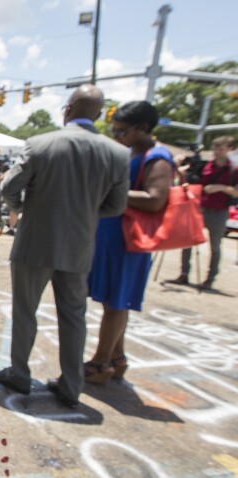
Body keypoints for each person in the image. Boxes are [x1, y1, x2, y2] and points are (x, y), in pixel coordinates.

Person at [0, 84, 130, 409]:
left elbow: (10, 187)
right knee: (74, 316)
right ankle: (71, 385)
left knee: (25, 311)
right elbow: (116, 206)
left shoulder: (41, 144)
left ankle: (19, 373)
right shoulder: (117, 154)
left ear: (68, 108)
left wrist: (22, 207)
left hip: (35, 242)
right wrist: (85, 215)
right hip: (79, 246)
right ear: (98, 113)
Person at [85, 101, 175, 384]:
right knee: (115, 301)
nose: (117, 136)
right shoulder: (134, 152)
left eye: (122, 131)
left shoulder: (157, 157)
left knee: (116, 304)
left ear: (143, 128)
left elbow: (155, 199)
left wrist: (110, 191)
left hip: (129, 241)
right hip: (114, 237)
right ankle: (117, 357)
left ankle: (100, 363)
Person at [172, 135, 237, 290]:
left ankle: (210, 278)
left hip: (219, 211)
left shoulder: (234, 170)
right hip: (199, 208)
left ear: (229, 149)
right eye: (215, 148)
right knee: (187, 241)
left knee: (215, 247)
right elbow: (192, 183)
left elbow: (236, 192)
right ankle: (184, 274)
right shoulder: (205, 166)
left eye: (221, 148)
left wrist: (220, 188)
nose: (217, 152)